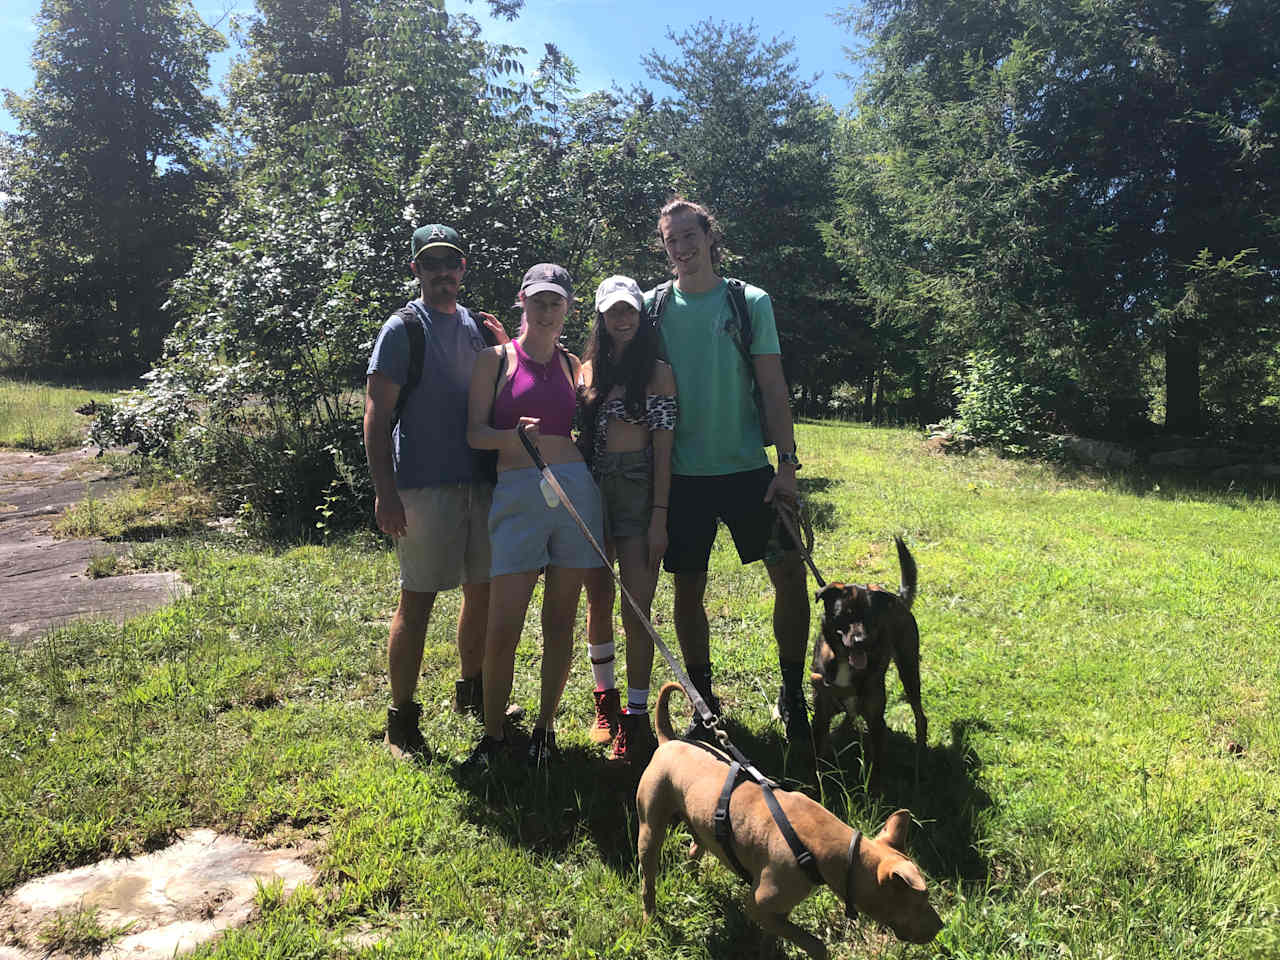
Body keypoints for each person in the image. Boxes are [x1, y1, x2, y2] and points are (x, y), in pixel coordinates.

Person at [645, 198, 812, 745]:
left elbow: (772, 387)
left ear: (709, 236)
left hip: (748, 472)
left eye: (689, 235)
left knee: (789, 577)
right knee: (687, 588)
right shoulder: (650, 308)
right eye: (671, 240)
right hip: (681, 476)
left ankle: (792, 694)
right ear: (664, 247)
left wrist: (786, 465)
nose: (682, 248)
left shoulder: (748, 302)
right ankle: (702, 700)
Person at [364, 223, 509, 760]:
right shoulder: (403, 329)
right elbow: (376, 417)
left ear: (463, 269)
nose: (443, 273)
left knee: (483, 589)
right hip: (422, 486)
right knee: (418, 599)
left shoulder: (476, 326)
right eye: (431, 264)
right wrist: (385, 491)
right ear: (416, 271)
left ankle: (471, 691)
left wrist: (505, 349)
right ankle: (400, 720)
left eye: (451, 263)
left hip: (480, 481)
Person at [465, 263, 605, 768]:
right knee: (504, 623)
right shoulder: (495, 359)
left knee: (560, 620)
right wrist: (512, 437)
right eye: (539, 300)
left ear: (568, 308)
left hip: (575, 494)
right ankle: (495, 735)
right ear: (522, 300)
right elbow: (475, 433)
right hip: (519, 492)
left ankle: (545, 729)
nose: (546, 311)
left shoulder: (574, 365)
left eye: (556, 302)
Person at [578, 276, 677, 765]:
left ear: (640, 315)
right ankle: (606, 704)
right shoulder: (587, 372)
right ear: (600, 316)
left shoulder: (657, 373)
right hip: (594, 488)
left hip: (640, 489)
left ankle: (637, 719)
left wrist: (660, 514)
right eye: (613, 312)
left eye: (630, 311)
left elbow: (663, 449)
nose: (622, 320)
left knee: (636, 607)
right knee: (598, 599)